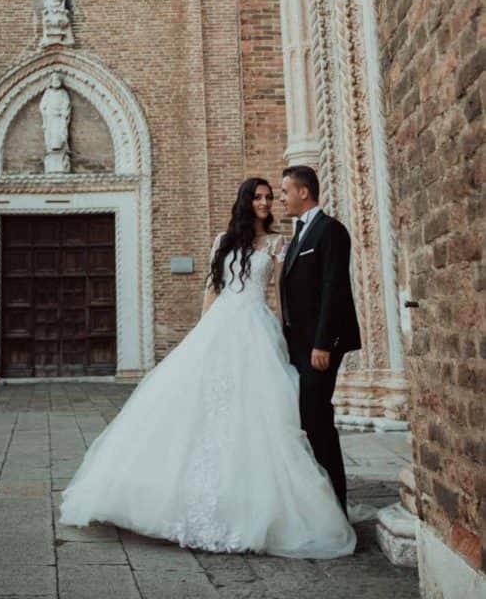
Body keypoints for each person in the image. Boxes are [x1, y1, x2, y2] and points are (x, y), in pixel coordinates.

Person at [59, 177, 356, 558]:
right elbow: (212, 290)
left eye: (269, 197)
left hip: (256, 329)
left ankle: (249, 495)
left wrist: (288, 335)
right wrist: (200, 334)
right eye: (259, 197)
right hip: (220, 326)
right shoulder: (223, 241)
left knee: (256, 412)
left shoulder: (279, 244)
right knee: (197, 406)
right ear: (245, 201)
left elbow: (282, 294)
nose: (265, 203)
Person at [279, 166, 361, 514]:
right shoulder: (298, 235)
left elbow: (334, 289)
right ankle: (322, 499)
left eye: (285, 191)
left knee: (316, 418)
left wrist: (323, 343)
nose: (281, 198)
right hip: (298, 345)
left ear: (303, 192)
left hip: (319, 345)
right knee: (308, 417)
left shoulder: (331, 231)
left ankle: (337, 502)